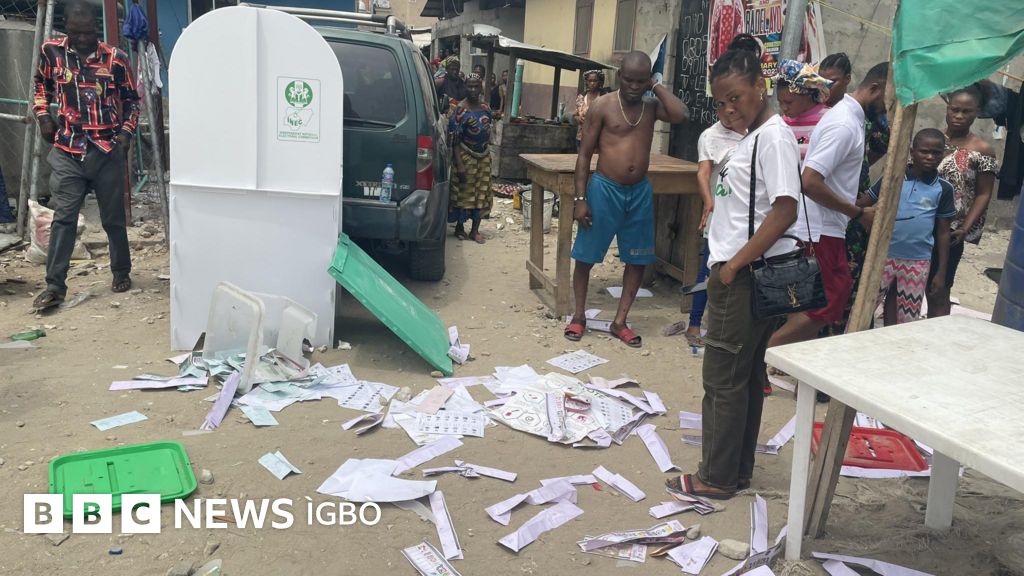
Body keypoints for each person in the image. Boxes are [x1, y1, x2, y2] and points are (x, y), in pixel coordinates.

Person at [666, 35, 800, 499]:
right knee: (743, 377)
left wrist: (732, 267)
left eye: (736, 98)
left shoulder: (773, 137)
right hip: (740, 270)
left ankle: (716, 477)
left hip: (742, 275)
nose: (728, 109)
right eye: (720, 102)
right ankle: (737, 470)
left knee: (723, 379)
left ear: (761, 86)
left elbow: (785, 210)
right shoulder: (754, 137)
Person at [563, 51, 688, 347]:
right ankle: (579, 316)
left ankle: (620, 322)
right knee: (586, 256)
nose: (633, 86)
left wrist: (655, 86)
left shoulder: (651, 106)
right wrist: (581, 199)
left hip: (639, 191)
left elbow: (681, 114)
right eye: (628, 80)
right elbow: (584, 156)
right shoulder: (603, 106)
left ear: (648, 80)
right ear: (619, 77)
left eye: (640, 81)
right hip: (604, 188)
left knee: (637, 259)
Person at [766, 62, 889, 349]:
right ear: (876, 89)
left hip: (822, 227)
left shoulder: (846, 118)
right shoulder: (844, 123)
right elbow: (810, 181)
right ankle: (762, 356)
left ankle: (788, 366)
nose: (890, 109)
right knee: (829, 303)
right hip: (819, 230)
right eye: (890, 101)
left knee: (808, 306)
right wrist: (857, 213)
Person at [30, 0, 139, 310]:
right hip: (68, 149)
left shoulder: (115, 59)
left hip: (106, 150)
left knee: (113, 219)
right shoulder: (51, 52)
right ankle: (54, 286)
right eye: (75, 33)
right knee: (63, 219)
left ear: (97, 28)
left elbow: (132, 100)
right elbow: (40, 86)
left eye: (87, 33)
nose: (81, 39)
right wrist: (43, 116)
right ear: (66, 27)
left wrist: (126, 134)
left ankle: (121, 271)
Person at [859, 129, 955, 325]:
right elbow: (864, 203)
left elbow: (943, 232)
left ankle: (893, 344)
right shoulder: (893, 178)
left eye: (936, 153)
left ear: (943, 154)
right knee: (862, 309)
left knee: (906, 318)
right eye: (924, 151)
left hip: (917, 261)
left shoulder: (943, 189)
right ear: (912, 152)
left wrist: (941, 272)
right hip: (882, 256)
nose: (930, 157)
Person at [929, 84, 999, 317]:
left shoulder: (982, 149)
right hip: (921, 224)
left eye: (966, 111)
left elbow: (983, 194)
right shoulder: (930, 141)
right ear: (947, 108)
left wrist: (965, 228)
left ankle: (936, 332)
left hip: (952, 230)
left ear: (977, 113)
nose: (959, 116)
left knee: (940, 288)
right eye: (955, 109)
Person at [686, 115, 745, 348]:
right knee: (708, 270)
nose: (729, 111)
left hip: (742, 217)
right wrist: (708, 202)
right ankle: (694, 324)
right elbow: (703, 172)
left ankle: (727, 328)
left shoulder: (753, 134)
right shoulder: (711, 136)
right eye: (722, 104)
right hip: (719, 214)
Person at [448, 74, 495, 244]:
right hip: (465, 156)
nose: (473, 90)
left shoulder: (486, 108)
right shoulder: (459, 110)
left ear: (481, 87)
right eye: (470, 86)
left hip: (483, 156)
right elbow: (454, 140)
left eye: (476, 86)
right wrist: (459, 164)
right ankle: (460, 227)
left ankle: (475, 230)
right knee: (464, 193)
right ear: (465, 87)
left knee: (482, 192)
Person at [775, 59, 833, 160]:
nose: (784, 108)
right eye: (780, 102)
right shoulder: (781, 124)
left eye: (789, 102)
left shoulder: (830, 119)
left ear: (807, 94)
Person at [573, 70, 606, 149]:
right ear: (586, 82)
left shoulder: (605, 97)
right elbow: (575, 115)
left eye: (595, 81)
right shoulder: (581, 97)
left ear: (600, 82)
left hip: (599, 139)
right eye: (590, 81)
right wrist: (578, 118)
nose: (592, 83)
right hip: (582, 138)